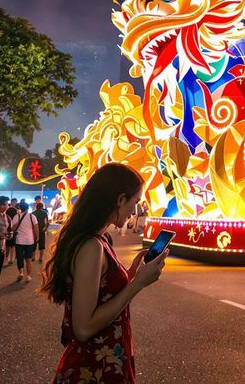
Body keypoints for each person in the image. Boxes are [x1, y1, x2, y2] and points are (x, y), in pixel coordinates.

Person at [42, 164, 168, 384]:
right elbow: (83, 328)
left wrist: (130, 275)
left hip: (105, 361)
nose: (135, 211)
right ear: (120, 199)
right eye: (135, 202)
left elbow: (101, 292)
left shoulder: (99, 239)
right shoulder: (91, 246)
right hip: (93, 369)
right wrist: (137, 284)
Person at [12, 202, 39, 284]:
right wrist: (37, 238)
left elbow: (13, 229)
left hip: (19, 241)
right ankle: (28, 276)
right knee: (28, 259)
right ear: (27, 208)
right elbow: (36, 228)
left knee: (19, 258)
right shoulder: (32, 216)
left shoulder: (16, 216)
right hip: (29, 241)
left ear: (20, 208)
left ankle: (21, 273)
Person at [32, 199, 49, 264]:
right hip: (42, 230)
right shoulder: (44, 213)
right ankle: (40, 258)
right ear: (42, 207)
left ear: (36, 206)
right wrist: (45, 228)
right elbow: (47, 223)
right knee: (41, 245)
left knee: (33, 244)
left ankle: (33, 257)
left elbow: (31, 223)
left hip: (34, 230)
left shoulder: (33, 213)